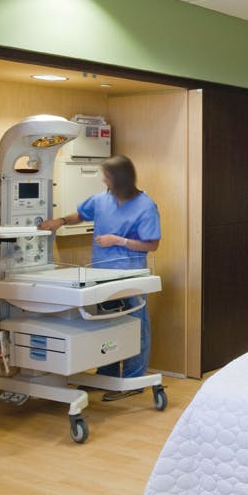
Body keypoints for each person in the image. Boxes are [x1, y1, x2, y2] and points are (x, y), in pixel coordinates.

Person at [41, 155, 161, 400]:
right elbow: (81, 214)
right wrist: (60, 221)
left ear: (120, 178)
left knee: (135, 325)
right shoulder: (101, 200)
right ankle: (106, 375)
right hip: (100, 273)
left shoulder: (145, 206)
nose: (103, 179)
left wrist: (119, 241)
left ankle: (133, 380)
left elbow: (152, 244)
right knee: (106, 324)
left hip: (130, 275)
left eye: (107, 176)